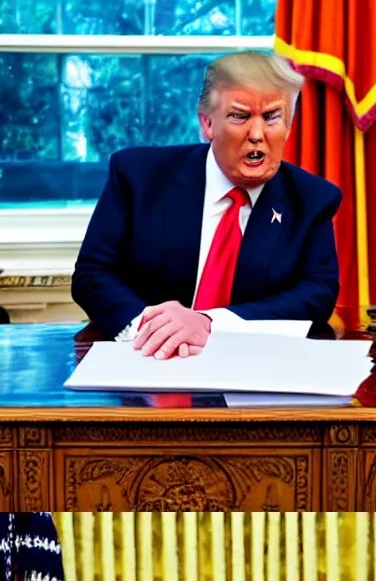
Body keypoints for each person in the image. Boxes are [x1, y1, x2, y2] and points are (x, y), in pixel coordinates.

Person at [71, 51, 340, 359]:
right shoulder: (138, 176)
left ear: (288, 126)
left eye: (271, 117)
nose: (257, 135)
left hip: (248, 363)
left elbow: (316, 294)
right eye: (240, 116)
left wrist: (210, 324)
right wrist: (154, 332)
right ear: (208, 124)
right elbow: (93, 274)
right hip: (148, 359)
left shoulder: (312, 199)